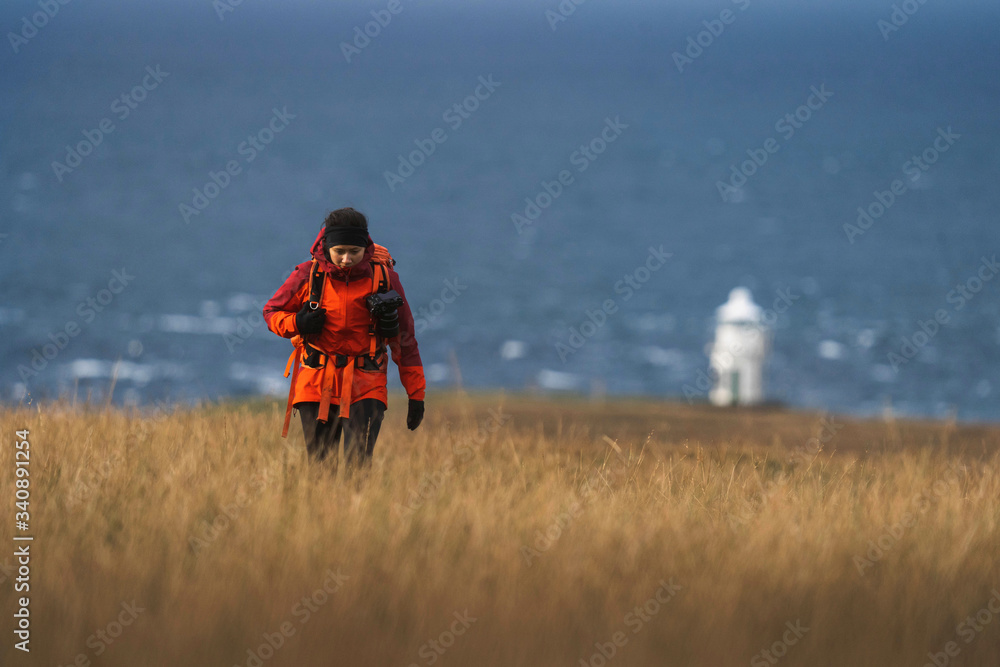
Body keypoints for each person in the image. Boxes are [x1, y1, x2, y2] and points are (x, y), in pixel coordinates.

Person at [263, 207, 425, 465]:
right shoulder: (307, 274)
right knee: (320, 468)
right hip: (316, 383)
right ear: (326, 246)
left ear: (366, 248)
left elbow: (405, 339)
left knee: (358, 467)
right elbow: (271, 312)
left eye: (354, 251)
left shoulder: (385, 277)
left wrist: (416, 394)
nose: (346, 259)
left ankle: (356, 506)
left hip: (367, 383)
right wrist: (297, 322)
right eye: (339, 251)